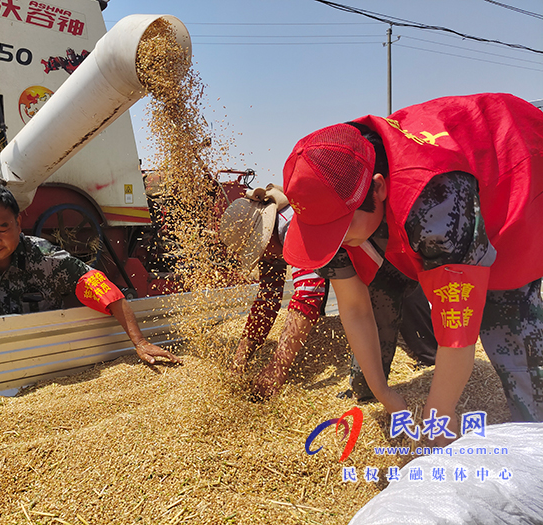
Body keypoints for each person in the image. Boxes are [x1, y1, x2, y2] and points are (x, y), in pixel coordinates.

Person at [282, 93, 543, 443]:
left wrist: (437, 420)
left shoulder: (435, 203)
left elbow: (457, 329)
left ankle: (533, 437)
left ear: (377, 188)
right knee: (375, 278)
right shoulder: (332, 176)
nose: (335, 242)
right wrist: (385, 394)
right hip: (421, 203)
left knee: (505, 319)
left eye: (340, 228)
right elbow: (355, 307)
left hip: (515, 168)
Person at [0, 183, 180, 366]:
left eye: (3, 228)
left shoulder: (46, 258)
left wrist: (141, 342)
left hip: (43, 363)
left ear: (18, 223)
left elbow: (104, 291)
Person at [220, 184, 436, 399]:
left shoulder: (295, 228)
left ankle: (428, 356)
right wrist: (240, 358)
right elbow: (267, 299)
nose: (262, 258)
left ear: (266, 237)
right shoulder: (272, 247)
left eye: (259, 251)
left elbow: (308, 296)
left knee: (392, 284)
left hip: (373, 237)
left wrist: (277, 369)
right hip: (339, 252)